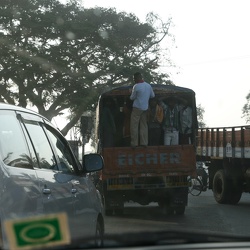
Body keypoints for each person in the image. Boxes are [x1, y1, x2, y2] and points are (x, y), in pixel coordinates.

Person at [130, 72, 155, 147]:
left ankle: (134, 143)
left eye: (134, 78)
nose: (134, 80)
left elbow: (132, 98)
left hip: (137, 108)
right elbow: (152, 95)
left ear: (137, 78)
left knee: (134, 126)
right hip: (145, 108)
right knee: (144, 126)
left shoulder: (136, 86)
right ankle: (144, 143)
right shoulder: (148, 86)